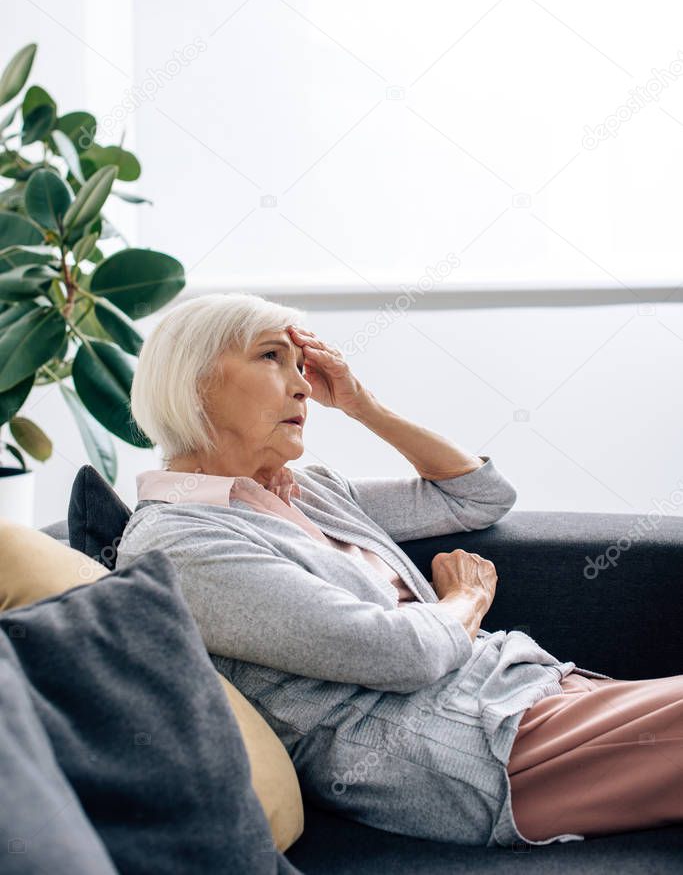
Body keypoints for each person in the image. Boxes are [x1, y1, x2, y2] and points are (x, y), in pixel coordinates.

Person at [117, 292, 683, 848]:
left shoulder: (306, 491)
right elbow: (401, 655)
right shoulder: (179, 541)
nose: (301, 387)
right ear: (192, 380)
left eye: (301, 365)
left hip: (525, 697)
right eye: (270, 357)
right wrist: (466, 599)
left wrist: (363, 404)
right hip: (468, 750)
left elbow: (479, 496)